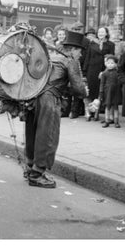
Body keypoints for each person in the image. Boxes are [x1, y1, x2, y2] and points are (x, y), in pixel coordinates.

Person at [24, 30, 88, 188]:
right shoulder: (70, 61)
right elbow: (79, 89)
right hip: (49, 100)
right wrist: (85, 92)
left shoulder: (49, 55)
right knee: (48, 135)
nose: (81, 55)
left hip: (32, 97)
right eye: (80, 51)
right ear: (73, 49)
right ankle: (37, 174)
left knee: (32, 133)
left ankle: (29, 167)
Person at [82, 26, 115, 121]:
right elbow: (87, 58)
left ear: (106, 33)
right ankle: (88, 112)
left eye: (102, 32)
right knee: (89, 92)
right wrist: (84, 72)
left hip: (103, 71)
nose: (100, 34)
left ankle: (96, 113)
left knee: (99, 92)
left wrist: (106, 71)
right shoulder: (92, 43)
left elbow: (111, 58)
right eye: (99, 32)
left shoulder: (110, 44)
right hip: (91, 70)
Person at [99, 55, 121, 128]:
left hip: (116, 92)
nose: (110, 65)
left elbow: (120, 82)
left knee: (115, 107)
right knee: (107, 106)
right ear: (106, 64)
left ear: (115, 64)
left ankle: (116, 122)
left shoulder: (117, 73)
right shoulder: (104, 74)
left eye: (112, 63)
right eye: (108, 63)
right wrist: (101, 92)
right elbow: (102, 84)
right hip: (107, 92)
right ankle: (106, 121)